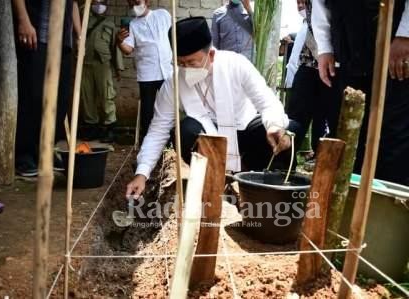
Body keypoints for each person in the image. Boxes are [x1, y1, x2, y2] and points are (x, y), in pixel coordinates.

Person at [126, 17, 296, 198]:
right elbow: (158, 129)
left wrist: (274, 125)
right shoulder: (174, 83)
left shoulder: (236, 64)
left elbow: (267, 101)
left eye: (192, 63)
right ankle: (215, 184)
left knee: (288, 130)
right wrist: (142, 173)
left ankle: (268, 190)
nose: (186, 68)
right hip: (209, 141)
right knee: (185, 130)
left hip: (242, 132)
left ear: (211, 55)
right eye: (180, 63)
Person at [312, 0, 409, 185]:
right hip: (348, 47)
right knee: (349, 133)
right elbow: (320, 4)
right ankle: (350, 202)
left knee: (393, 136)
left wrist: (406, 35)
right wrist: (325, 48)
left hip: (393, 44)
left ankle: (387, 206)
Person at [12, 0, 81, 177]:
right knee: (33, 96)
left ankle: (44, 151)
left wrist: (79, 35)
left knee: (60, 99)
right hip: (37, 34)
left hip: (63, 41)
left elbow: (72, 4)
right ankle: (24, 154)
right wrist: (24, 20)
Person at [285, 0, 342, 153]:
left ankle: (328, 166)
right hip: (309, 66)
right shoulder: (307, 18)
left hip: (336, 68)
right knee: (294, 120)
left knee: (333, 123)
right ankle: (284, 165)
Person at [116, 0, 173, 142]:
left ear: (147, 1)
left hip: (167, 70)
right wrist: (119, 42)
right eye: (131, 4)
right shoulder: (133, 25)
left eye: (137, 2)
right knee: (147, 111)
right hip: (147, 73)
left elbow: (173, 35)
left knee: (170, 106)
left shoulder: (163, 15)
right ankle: (148, 141)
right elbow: (128, 49)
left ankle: (171, 141)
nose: (134, 7)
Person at [80, 1, 124, 143]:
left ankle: (110, 128)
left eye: (102, 2)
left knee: (106, 95)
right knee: (87, 97)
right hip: (85, 63)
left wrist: (118, 68)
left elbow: (114, 47)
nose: (99, 5)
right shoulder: (83, 17)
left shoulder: (110, 24)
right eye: (95, 2)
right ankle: (91, 127)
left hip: (103, 64)